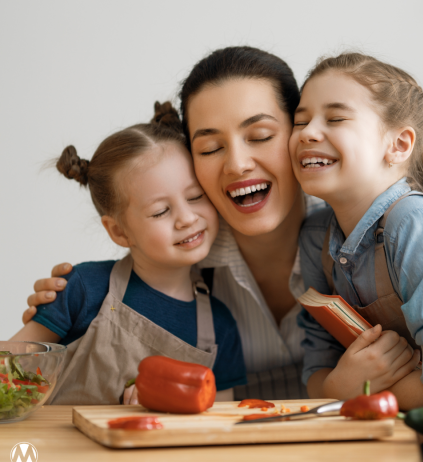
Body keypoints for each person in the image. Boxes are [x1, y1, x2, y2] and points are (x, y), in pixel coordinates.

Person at [21, 47, 423, 401]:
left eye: (260, 136)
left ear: (302, 138)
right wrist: (67, 311)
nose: (239, 163)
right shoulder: (173, 262)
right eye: (209, 148)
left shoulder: (382, 244)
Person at [10, 102, 247, 405]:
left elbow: (220, 422)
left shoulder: (220, 325)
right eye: (161, 211)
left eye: (196, 196)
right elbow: (10, 367)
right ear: (119, 232)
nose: (187, 218)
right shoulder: (84, 288)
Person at [290, 52, 423, 410]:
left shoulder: (415, 222)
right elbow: (317, 369)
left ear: (398, 145)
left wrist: (359, 391)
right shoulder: (315, 234)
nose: (308, 133)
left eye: (335, 118)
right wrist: (338, 387)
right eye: (300, 122)